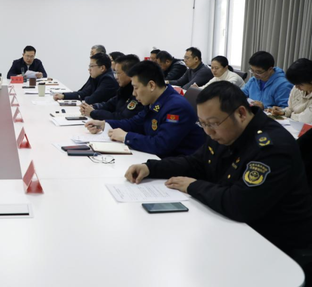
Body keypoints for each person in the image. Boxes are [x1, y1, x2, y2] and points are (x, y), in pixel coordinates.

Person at [124, 81, 312, 260]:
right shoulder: (225, 131)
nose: (208, 132)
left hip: (275, 244)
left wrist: (192, 186)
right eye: (202, 124)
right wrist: (150, 168)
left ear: (241, 113)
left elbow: (240, 204)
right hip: (235, 227)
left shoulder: (271, 147)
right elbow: (196, 163)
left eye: (212, 123)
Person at [85, 60, 205, 157]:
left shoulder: (176, 107)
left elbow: (161, 145)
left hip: (178, 166)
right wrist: (104, 124)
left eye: (136, 88)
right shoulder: (155, 101)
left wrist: (126, 137)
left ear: (151, 85)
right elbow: (134, 123)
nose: (134, 93)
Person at [80, 54, 143, 120]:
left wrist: (93, 112)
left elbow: (121, 117)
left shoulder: (136, 94)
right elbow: (109, 105)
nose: (116, 77)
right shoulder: (124, 90)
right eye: (115, 73)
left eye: (118, 73)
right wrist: (92, 107)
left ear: (130, 74)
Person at [53, 53, 118, 105]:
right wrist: (64, 95)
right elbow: (84, 93)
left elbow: (91, 100)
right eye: (89, 66)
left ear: (102, 68)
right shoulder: (96, 76)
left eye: (92, 66)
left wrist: (84, 97)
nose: (89, 69)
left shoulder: (108, 80)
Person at [270, 58, 312, 124]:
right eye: (295, 84)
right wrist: (283, 112)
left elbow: (306, 119)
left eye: (300, 84)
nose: (296, 87)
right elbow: (291, 108)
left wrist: (291, 115)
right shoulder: (296, 88)